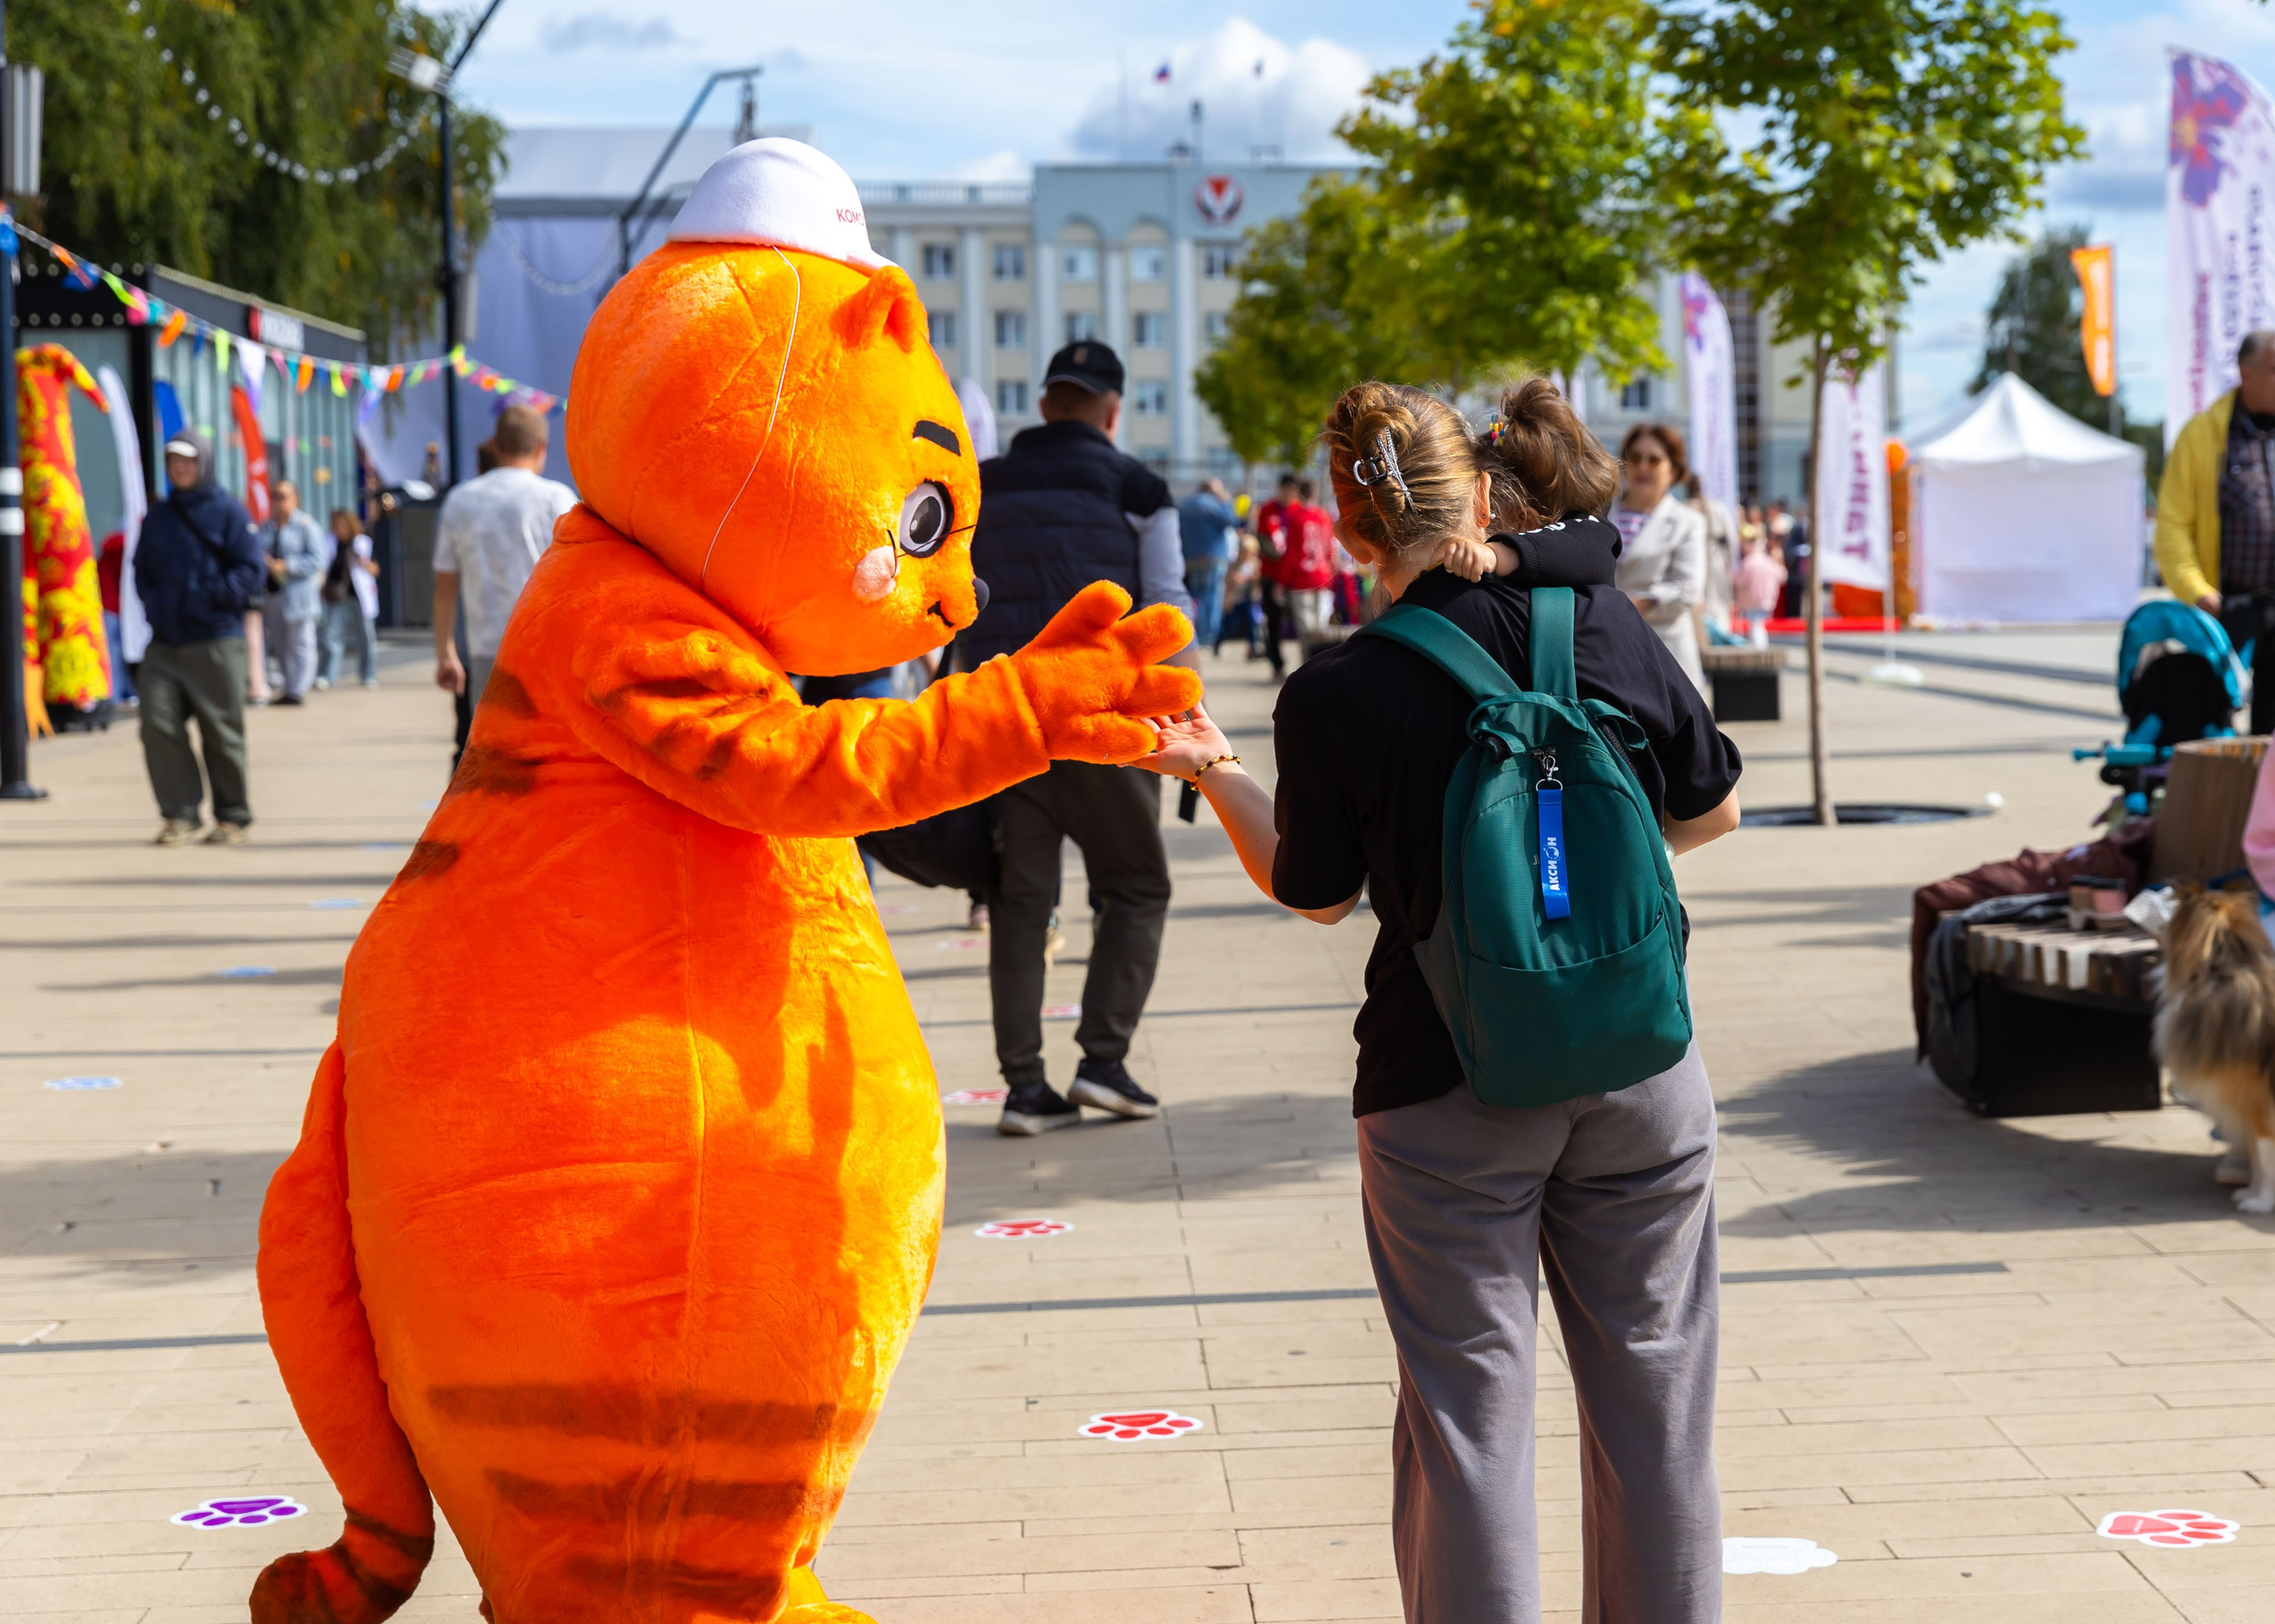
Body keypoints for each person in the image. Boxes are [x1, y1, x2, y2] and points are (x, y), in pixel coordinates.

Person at [1135, 377, 1741, 1624]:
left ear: (1350, 532)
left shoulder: (1339, 691)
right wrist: (1565, 907)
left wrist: (1217, 768)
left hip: (1445, 1086)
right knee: (1659, 1406)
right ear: (1480, 495)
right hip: (1639, 1064)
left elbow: (1315, 895)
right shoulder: (1600, 619)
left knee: (1470, 1422)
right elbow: (1712, 808)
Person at [957, 338, 1195, 1135]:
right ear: (1113, 410)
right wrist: (1185, 715)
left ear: (1046, 402)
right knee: (1135, 887)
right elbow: (1167, 603)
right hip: (1104, 723)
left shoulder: (983, 487)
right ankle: (1103, 1063)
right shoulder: (1138, 485)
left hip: (1003, 721)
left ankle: (1024, 1091)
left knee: (1020, 902)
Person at [133, 431, 266, 845]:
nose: (180, 467)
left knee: (221, 731)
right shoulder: (158, 516)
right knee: (156, 724)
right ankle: (181, 814)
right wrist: (156, 605)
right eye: (173, 460)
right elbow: (142, 570)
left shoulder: (227, 511)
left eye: (188, 460)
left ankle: (233, 816)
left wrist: (207, 599)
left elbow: (251, 570)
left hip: (215, 639)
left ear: (204, 462)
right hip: (165, 642)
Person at [431, 405, 578, 759]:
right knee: (551, 758)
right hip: (546, 651)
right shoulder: (556, 499)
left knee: (494, 757)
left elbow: (445, 588)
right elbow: (579, 581)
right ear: (542, 447)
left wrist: (445, 651)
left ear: (495, 446)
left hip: (487, 650)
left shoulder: (460, 500)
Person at [2158, 329, 2275, 733]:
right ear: (2246, 372)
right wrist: (2196, 590)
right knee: (2210, 713)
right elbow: (2172, 524)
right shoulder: (2203, 435)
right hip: (2227, 605)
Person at [1614, 423, 1708, 694]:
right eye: (1635, 458)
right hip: (1610, 652)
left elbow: (1688, 590)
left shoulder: (1688, 522)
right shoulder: (1600, 515)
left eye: (1654, 460)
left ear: (1674, 471)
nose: (1643, 467)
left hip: (1667, 654)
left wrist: (1633, 605)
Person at [262, 480, 329, 705]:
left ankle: (298, 688)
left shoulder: (306, 525)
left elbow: (318, 560)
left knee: (301, 642)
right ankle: (289, 686)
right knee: (280, 644)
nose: (279, 501)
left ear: (295, 498)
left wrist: (287, 565)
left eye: (284, 496)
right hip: (275, 594)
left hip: (299, 594)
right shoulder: (268, 526)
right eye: (276, 496)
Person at [318, 507, 381, 689]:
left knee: (366, 637)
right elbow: (324, 568)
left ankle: (368, 674)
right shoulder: (330, 542)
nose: (338, 528)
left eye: (342, 524)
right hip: (337, 596)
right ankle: (327, 675)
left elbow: (376, 570)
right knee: (331, 636)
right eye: (336, 525)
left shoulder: (363, 542)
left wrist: (364, 563)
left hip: (359, 596)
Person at [1177, 476, 1240, 653]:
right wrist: (1226, 501)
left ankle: (1193, 634)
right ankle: (1208, 637)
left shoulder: (1185, 504)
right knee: (1211, 598)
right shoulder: (1214, 504)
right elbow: (1232, 520)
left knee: (1195, 597)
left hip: (1190, 558)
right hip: (1212, 558)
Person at [1252, 473, 1301, 675]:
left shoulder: (1298, 510)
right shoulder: (1267, 509)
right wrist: (1279, 555)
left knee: (1299, 621)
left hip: (1293, 576)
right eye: (1286, 490)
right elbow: (1262, 539)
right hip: (1271, 574)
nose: (1289, 495)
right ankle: (1277, 663)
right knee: (1273, 620)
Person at [96, 529, 136, 705]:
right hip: (116, 608)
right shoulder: (127, 544)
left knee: (116, 654)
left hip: (111, 606)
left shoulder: (115, 545)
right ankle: (118, 695)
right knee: (117, 654)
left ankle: (117, 694)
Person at [1733, 528, 1787, 647]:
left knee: (1756, 626)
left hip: (1751, 600)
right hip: (1767, 599)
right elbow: (1782, 575)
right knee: (1758, 625)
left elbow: (1738, 581)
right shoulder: (1768, 560)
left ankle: (1759, 649)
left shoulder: (1748, 562)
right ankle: (1759, 648)